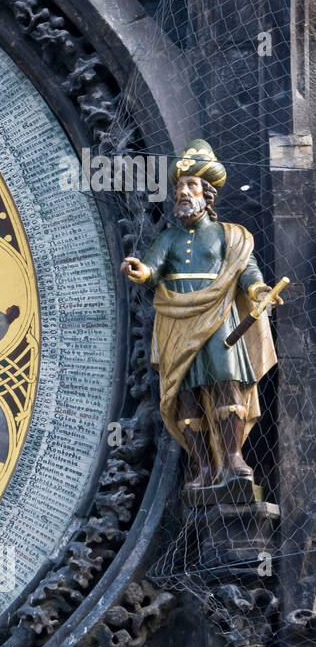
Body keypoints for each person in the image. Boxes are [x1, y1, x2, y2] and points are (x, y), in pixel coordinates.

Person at [120, 140, 280, 487]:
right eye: (179, 187)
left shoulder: (229, 236)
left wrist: (258, 290)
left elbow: (246, 270)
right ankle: (204, 466)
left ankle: (233, 458)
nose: (182, 192)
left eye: (190, 185)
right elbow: (152, 268)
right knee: (186, 393)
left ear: (207, 193)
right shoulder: (169, 238)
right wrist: (140, 271)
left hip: (220, 317)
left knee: (228, 385)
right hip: (178, 318)